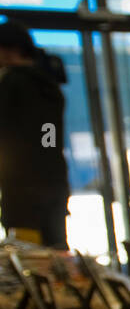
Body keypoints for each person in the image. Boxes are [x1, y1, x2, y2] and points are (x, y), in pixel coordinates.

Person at [0, 21, 70, 249]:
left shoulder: (12, 83)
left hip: (24, 193)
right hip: (53, 184)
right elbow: (47, 135)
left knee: (30, 262)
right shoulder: (48, 84)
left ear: (10, 50)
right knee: (56, 257)